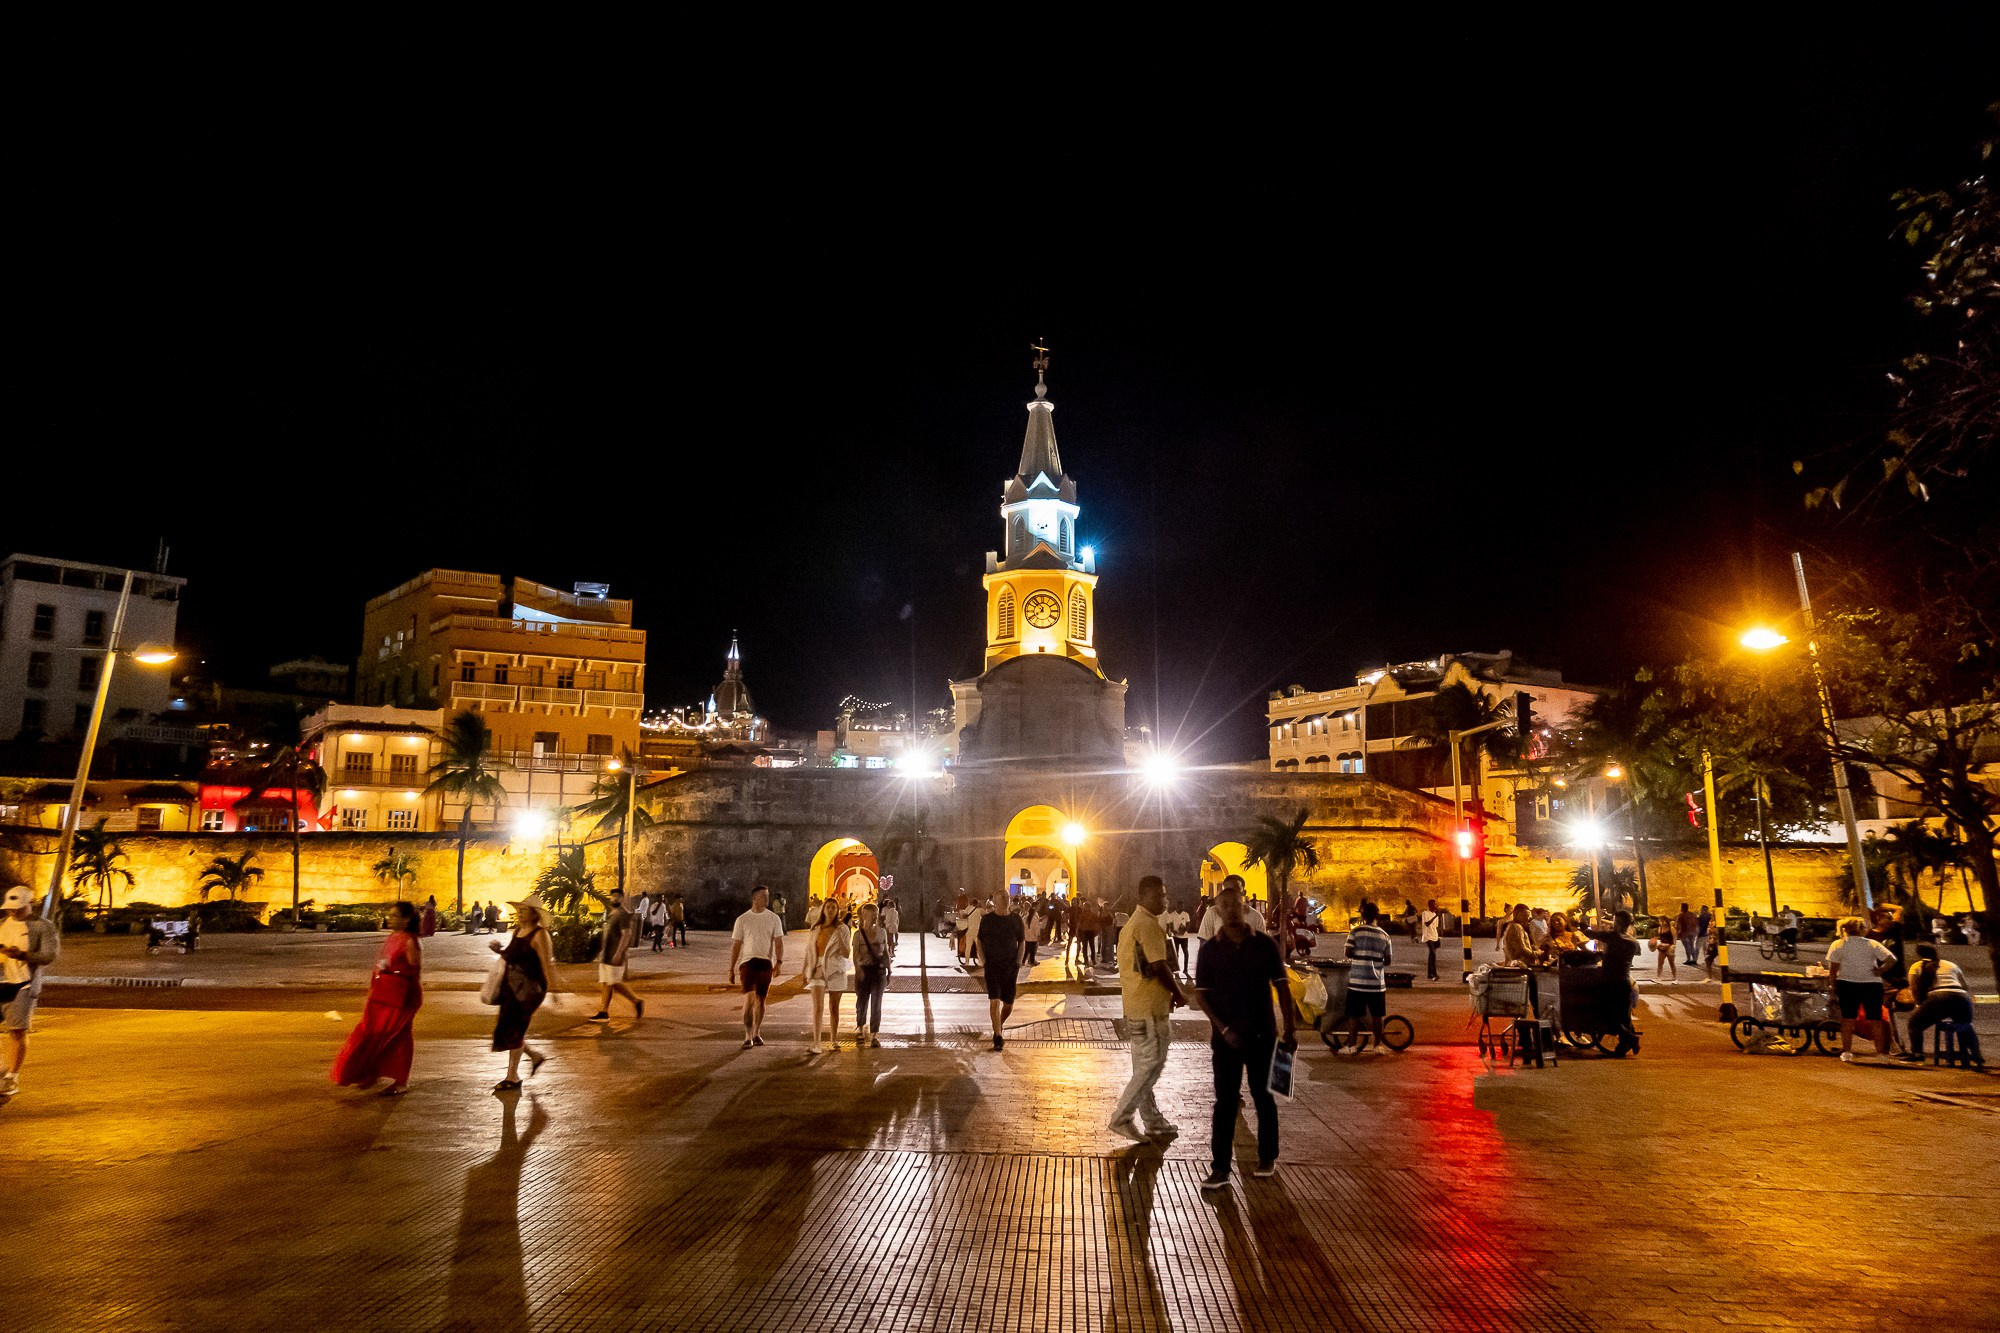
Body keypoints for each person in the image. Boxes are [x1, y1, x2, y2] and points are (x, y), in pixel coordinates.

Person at [1189, 883, 1298, 1189]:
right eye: (1225, 906)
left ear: (1245, 907)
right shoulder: (1209, 951)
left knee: (1264, 1097)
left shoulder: (1264, 945)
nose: (1231, 911)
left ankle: (1267, 1157)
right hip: (1226, 1040)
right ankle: (1220, 1168)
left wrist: (1290, 1028)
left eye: (1237, 905)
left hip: (1262, 1033)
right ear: (1217, 910)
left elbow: (1282, 986)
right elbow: (1202, 996)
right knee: (1225, 1102)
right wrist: (1222, 1028)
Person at [1107, 876, 1191, 1140]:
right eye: (1158, 896)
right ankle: (1122, 1117)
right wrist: (1179, 993)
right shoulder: (1147, 926)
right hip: (1149, 1010)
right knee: (1151, 1064)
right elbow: (1158, 966)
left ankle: (1153, 1120)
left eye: (1164, 896)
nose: (1164, 901)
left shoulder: (1133, 925)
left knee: (1145, 1066)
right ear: (1143, 897)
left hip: (1136, 1006)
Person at [331, 900, 424, 1095]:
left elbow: (414, 972)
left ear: (407, 919)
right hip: (382, 993)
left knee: (393, 1036)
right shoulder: (393, 937)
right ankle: (368, 1072)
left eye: (395, 916)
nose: (390, 920)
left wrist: (393, 973)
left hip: (401, 997)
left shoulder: (410, 940)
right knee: (372, 1033)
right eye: (389, 916)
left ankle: (397, 1080)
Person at [490, 895, 560, 1091]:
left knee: (516, 1028)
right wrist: (499, 950)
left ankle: (512, 1076)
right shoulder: (518, 931)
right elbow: (513, 956)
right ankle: (534, 1057)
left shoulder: (539, 935)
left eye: (525, 910)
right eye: (519, 910)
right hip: (511, 987)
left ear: (535, 914)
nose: (520, 913)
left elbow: (547, 963)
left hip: (530, 990)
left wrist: (554, 990)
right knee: (508, 1028)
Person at [0, 884, 61, 1098]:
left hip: (23, 984)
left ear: (30, 905)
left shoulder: (43, 927)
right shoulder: (2, 924)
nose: (12, 912)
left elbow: (49, 956)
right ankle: (1, 1067)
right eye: (10, 908)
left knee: (17, 1030)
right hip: (2, 982)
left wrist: (22, 955)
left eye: (17, 908)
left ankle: (11, 1078)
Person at [1827, 916, 1895, 1063]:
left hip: (1847, 983)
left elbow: (1833, 969)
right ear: (1863, 929)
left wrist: (1833, 986)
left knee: (1848, 1020)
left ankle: (1847, 1052)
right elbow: (1891, 959)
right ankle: (1881, 1054)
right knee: (1876, 1020)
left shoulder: (1838, 944)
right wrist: (1881, 970)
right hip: (1871, 984)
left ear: (1845, 929)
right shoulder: (1871, 943)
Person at [1900, 944, 1982, 1066]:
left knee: (1914, 1022)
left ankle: (1917, 1054)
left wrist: (1919, 1005)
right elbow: (1965, 986)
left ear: (1919, 954)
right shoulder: (1951, 965)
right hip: (1961, 997)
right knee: (1965, 1025)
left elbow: (1914, 988)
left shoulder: (1916, 966)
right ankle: (1976, 1055)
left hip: (1938, 998)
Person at [728, 886, 786, 1049]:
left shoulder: (774, 918)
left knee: (761, 1000)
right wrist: (731, 968)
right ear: (754, 899)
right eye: (763, 896)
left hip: (765, 962)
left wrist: (779, 962)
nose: (767, 899)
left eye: (767, 895)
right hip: (747, 963)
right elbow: (736, 945)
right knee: (750, 998)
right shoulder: (743, 919)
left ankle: (757, 1032)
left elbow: (778, 942)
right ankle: (747, 1035)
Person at [1337, 900, 1394, 1054]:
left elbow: (1347, 953)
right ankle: (1377, 1046)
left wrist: (1361, 954)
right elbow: (1388, 960)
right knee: (1377, 1016)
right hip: (1377, 983)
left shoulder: (1355, 932)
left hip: (1357, 981)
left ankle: (1352, 1046)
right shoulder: (1385, 936)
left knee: (1354, 1016)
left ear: (1362, 915)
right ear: (1377, 916)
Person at [978, 890, 1027, 1050]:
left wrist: (1019, 961)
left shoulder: (1015, 919)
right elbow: (979, 941)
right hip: (992, 966)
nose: (1006, 900)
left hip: (1010, 967)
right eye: (1002, 898)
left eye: (1007, 897)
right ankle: (998, 1036)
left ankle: (997, 1025)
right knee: (994, 1000)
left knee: (1008, 1004)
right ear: (996, 901)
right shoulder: (987, 920)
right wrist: (984, 961)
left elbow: (1022, 941)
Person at [803, 899, 852, 1053]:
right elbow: (809, 951)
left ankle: (834, 1039)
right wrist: (805, 970)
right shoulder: (816, 929)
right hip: (817, 968)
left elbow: (846, 953)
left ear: (838, 910)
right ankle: (816, 1044)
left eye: (833, 907)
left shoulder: (842, 928)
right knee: (817, 1008)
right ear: (823, 909)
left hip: (835, 969)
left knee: (834, 1007)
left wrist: (840, 937)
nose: (830, 910)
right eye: (828, 907)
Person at [589, 888, 644, 1022]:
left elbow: (627, 934)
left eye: (618, 896)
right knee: (606, 983)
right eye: (613, 896)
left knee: (612, 982)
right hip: (606, 954)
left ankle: (635, 1001)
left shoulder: (623, 914)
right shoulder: (612, 913)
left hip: (614, 955)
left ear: (622, 899)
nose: (615, 898)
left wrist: (619, 952)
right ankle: (604, 1011)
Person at [852, 902, 891, 1047]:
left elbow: (886, 952)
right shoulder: (858, 935)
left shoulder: (882, 933)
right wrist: (858, 971)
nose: (874, 918)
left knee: (876, 1003)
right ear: (863, 916)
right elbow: (855, 955)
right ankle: (860, 1029)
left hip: (879, 972)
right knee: (862, 1002)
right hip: (864, 971)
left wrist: (889, 971)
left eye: (875, 915)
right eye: (870, 915)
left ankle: (874, 1034)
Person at [1418, 898, 1444, 981]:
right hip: (1428, 937)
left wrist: (1439, 935)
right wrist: (1436, 916)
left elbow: (1435, 926)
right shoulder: (1425, 913)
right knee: (1433, 954)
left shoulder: (1435, 915)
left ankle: (1430, 974)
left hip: (1434, 936)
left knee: (1432, 955)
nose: (1436, 906)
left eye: (1436, 904)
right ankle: (1434, 973)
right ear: (1430, 905)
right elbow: (1427, 924)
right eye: (1434, 904)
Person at [1652, 915, 1678, 979]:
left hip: (1669, 946)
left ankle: (1675, 977)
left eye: (1662, 921)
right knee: (1660, 963)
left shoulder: (1671, 928)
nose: (1661, 923)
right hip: (1662, 946)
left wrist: (1674, 946)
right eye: (1660, 921)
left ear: (1666, 921)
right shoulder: (1660, 928)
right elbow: (1661, 936)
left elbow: (1674, 937)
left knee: (1671, 963)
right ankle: (1659, 977)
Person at [1675, 903, 1699, 967]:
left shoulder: (1681, 916)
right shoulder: (1693, 915)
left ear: (1682, 908)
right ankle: (1694, 959)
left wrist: (1678, 933)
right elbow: (1697, 923)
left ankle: (1689, 959)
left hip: (1685, 933)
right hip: (1692, 932)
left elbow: (1678, 925)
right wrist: (1696, 931)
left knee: (1687, 946)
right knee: (1691, 945)